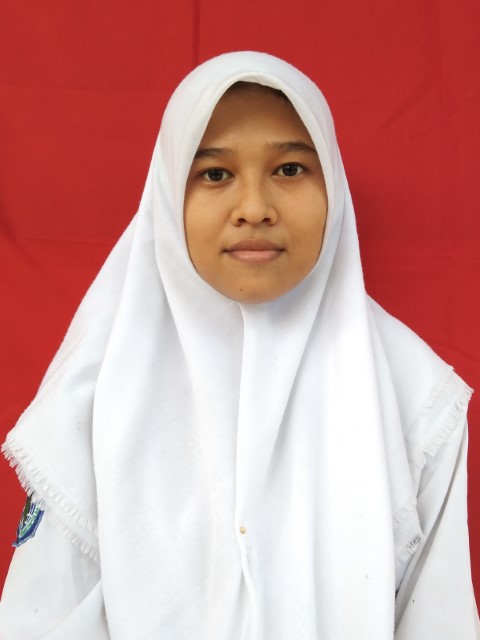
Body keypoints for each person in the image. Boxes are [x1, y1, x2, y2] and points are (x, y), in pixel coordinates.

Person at [0, 51, 478, 639]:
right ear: (168, 191)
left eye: (290, 169)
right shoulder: (95, 392)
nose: (254, 209)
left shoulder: (415, 399)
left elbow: (440, 619)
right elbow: (45, 620)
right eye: (215, 175)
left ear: (333, 185)